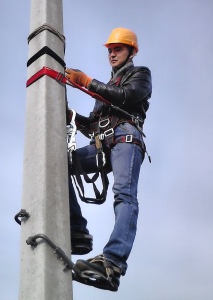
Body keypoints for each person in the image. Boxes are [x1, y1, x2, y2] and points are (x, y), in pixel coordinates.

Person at [65, 27, 152, 291]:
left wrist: (87, 82)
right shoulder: (107, 87)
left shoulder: (140, 74)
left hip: (126, 139)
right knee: (58, 164)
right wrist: (71, 116)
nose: (113, 54)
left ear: (131, 51)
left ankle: (112, 262)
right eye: (110, 50)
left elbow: (127, 97)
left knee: (124, 196)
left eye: (118, 49)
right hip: (103, 143)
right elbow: (93, 126)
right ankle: (78, 230)